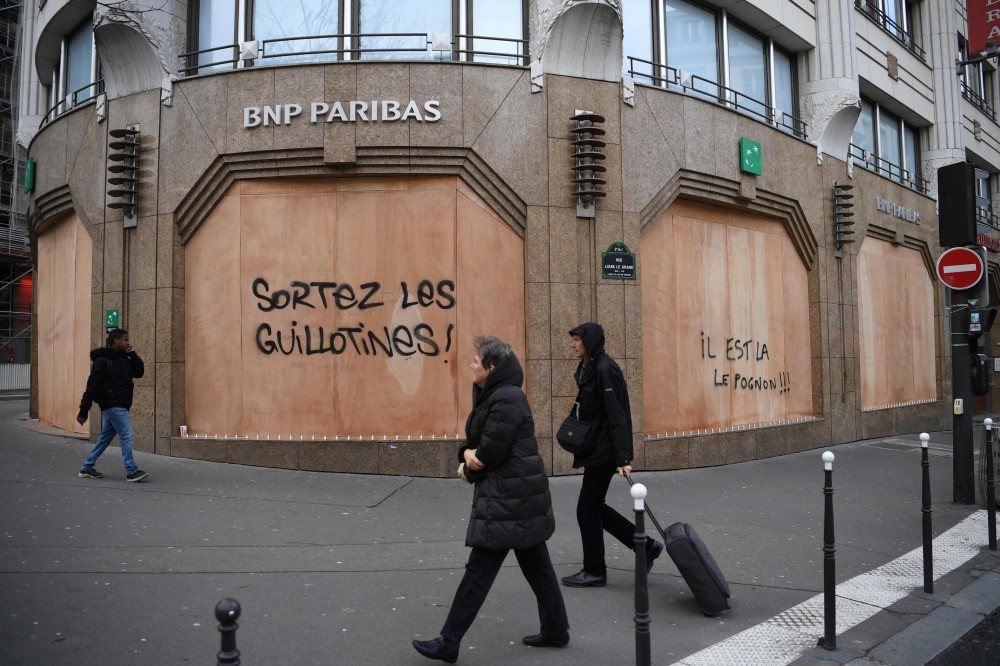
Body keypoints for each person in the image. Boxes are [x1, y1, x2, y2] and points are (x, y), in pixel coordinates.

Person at [413, 337, 569, 663]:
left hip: (509, 500)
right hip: (517, 497)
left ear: (492, 367)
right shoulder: (498, 395)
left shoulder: (507, 399)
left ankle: (449, 641)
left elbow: (490, 451)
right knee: (538, 568)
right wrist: (469, 459)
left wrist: (469, 461)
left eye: (476, 359)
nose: (471, 364)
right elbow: (487, 446)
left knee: (478, 572)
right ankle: (556, 629)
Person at [560, 322, 662, 588]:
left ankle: (595, 570)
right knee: (593, 508)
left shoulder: (606, 369)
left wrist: (623, 458)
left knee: (586, 510)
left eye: (577, 340)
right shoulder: (592, 367)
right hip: (597, 447)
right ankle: (645, 546)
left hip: (605, 452)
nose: (572, 344)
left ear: (589, 341)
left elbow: (618, 414)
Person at [76, 328, 148, 482]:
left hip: (120, 403)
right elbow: (92, 386)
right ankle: (131, 470)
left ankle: (86, 467)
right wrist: (84, 411)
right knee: (126, 434)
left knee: (104, 439)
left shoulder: (125, 359)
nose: (128, 343)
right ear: (116, 340)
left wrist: (132, 353)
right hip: (112, 404)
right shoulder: (102, 361)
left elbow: (139, 372)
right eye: (125, 340)